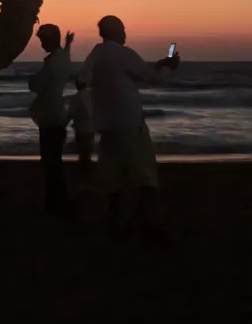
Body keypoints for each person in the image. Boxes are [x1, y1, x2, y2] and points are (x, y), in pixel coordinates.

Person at [77, 16, 180, 232]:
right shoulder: (123, 53)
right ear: (114, 31)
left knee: (112, 180)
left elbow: (83, 80)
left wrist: (158, 64)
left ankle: (116, 225)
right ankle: (150, 224)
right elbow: (155, 79)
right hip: (130, 125)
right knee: (146, 177)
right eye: (122, 29)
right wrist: (169, 68)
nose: (125, 33)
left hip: (106, 126)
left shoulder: (95, 54)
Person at [28, 25, 74, 215]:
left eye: (42, 40)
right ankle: (58, 201)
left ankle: (55, 204)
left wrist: (33, 80)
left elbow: (36, 85)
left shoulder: (53, 62)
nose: (41, 44)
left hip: (50, 116)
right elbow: (66, 58)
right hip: (57, 114)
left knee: (50, 163)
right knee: (54, 161)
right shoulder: (61, 58)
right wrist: (67, 44)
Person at [67, 75, 95, 178]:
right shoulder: (91, 95)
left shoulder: (76, 97)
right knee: (88, 149)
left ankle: (84, 171)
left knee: (82, 149)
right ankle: (88, 170)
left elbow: (71, 113)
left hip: (80, 127)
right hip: (91, 126)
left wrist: (64, 124)